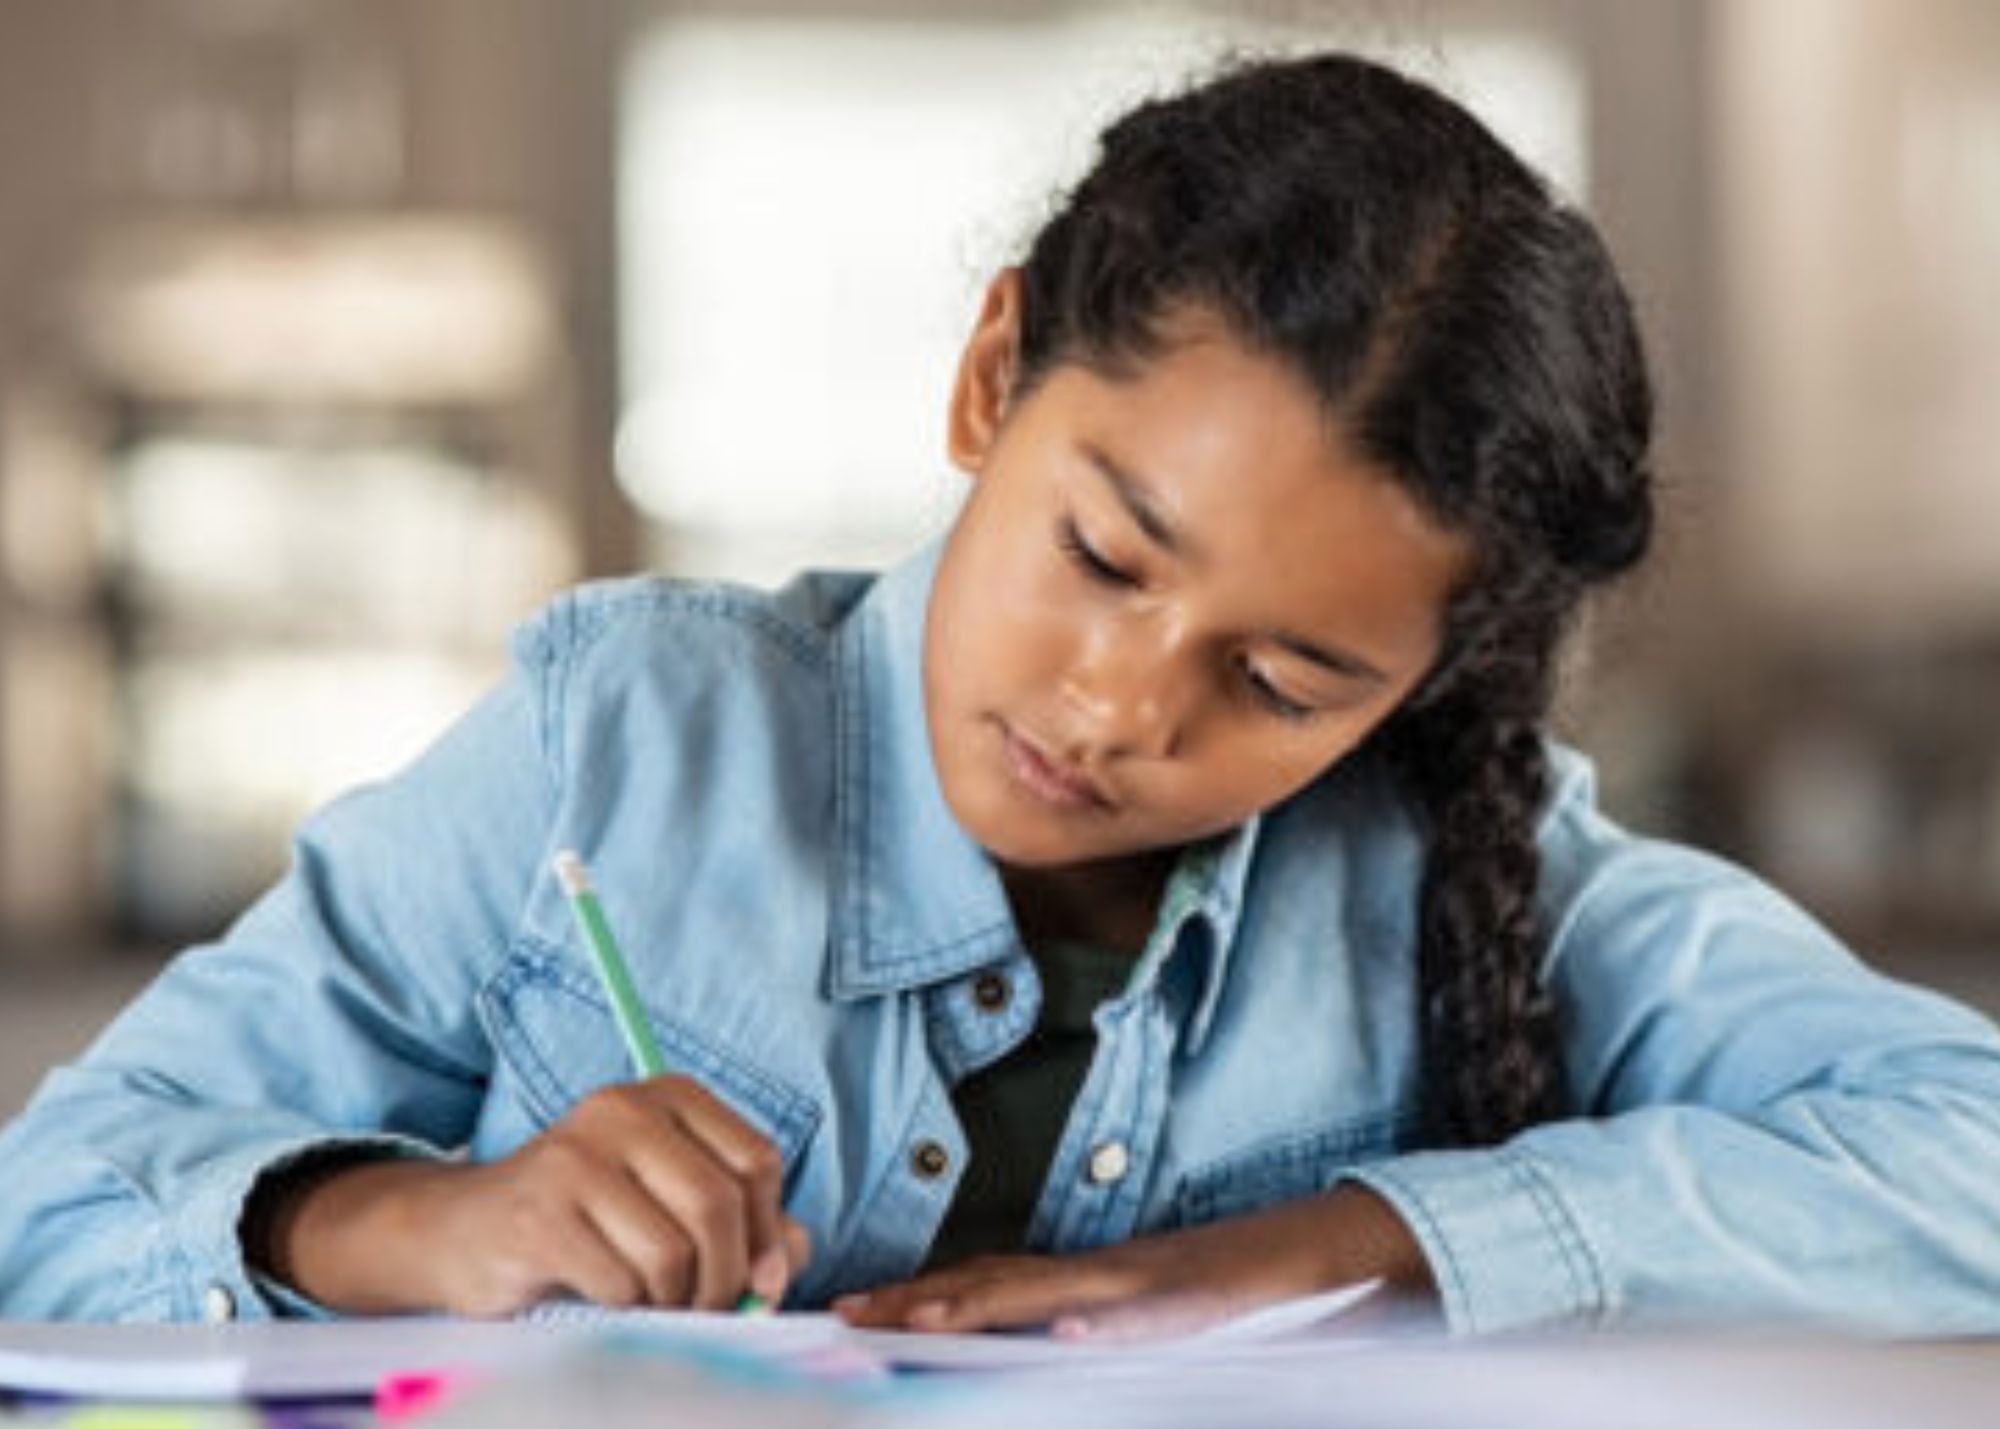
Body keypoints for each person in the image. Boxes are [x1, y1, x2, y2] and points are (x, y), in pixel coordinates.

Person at [4, 51, 2000, 1339]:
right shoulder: (619, 743)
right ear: (989, 381)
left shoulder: (1470, 865)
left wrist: (1343, 1241)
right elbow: (52, 1198)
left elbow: (1965, 1154)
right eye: (1105, 555)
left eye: (1287, 677)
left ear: (1413, 686)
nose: (1124, 706)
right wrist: (406, 1228)